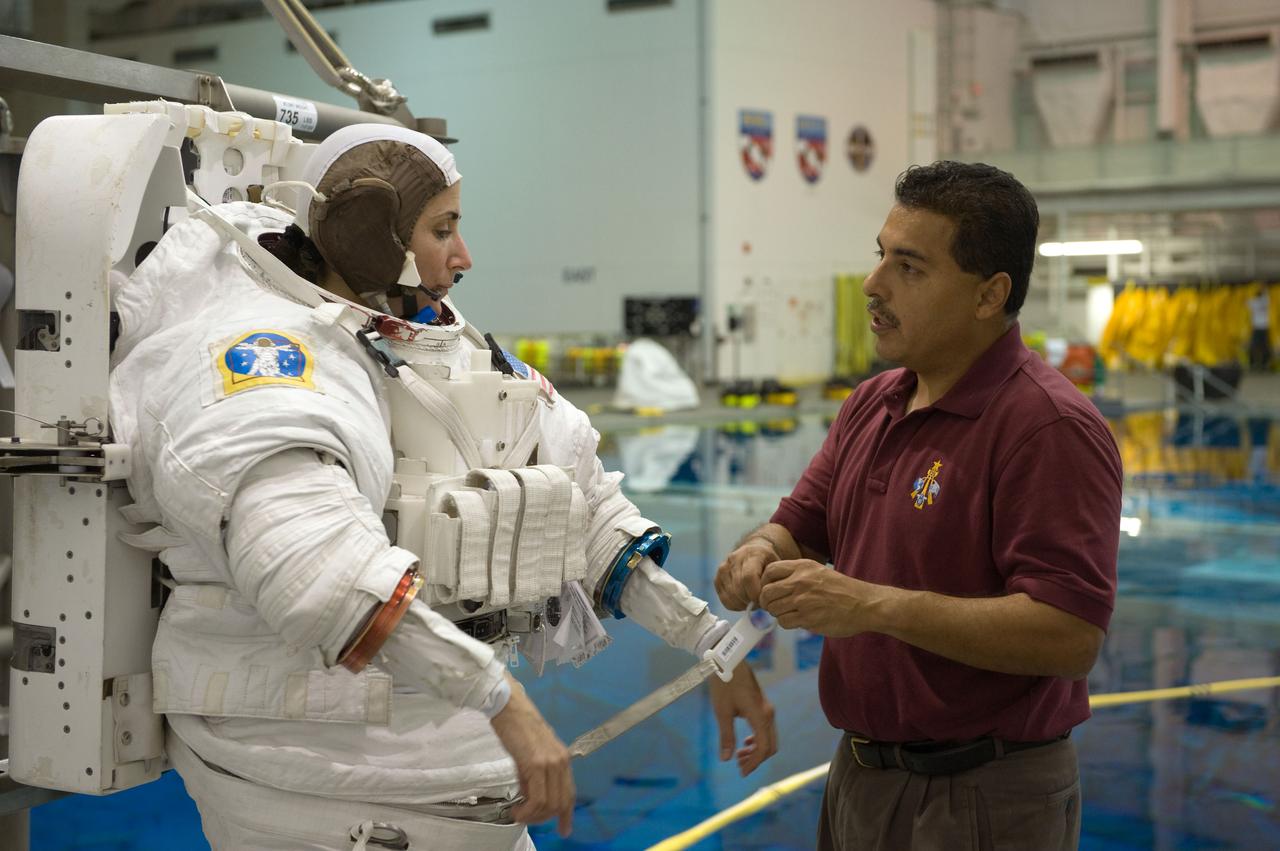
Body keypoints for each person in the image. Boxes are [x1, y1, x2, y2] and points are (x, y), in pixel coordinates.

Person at [109, 123, 775, 850]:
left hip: (459, 757)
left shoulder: (450, 350)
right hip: (313, 772)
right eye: (442, 229)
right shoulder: (262, 358)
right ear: (370, 232)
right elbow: (314, 572)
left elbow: (587, 510)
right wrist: (502, 699)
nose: (464, 256)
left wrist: (708, 640)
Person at [715, 161, 1121, 851]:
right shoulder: (874, 403)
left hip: (984, 794)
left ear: (989, 294)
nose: (874, 284)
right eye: (881, 255)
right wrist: (758, 553)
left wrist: (872, 605)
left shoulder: (1046, 427)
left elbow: (1069, 635)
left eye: (909, 267)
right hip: (861, 776)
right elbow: (798, 527)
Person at [1248, 284, 1272, 372]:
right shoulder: (1265, 300)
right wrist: (1263, 287)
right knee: (1264, 346)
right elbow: (1266, 294)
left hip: (1257, 327)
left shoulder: (1253, 302)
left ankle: (1255, 363)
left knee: (1255, 346)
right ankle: (1264, 363)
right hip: (1264, 327)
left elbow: (1246, 301)